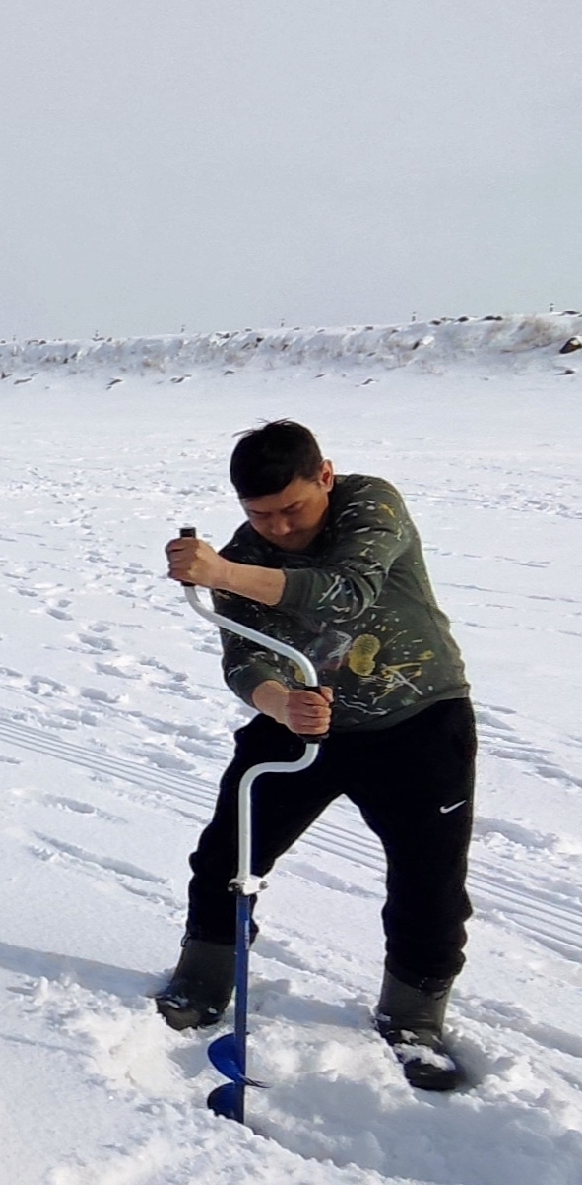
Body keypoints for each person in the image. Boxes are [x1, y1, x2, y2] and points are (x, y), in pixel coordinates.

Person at [160, 420, 476, 1091]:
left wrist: (221, 570)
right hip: (305, 723)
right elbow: (246, 659)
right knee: (229, 851)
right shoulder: (245, 556)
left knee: (430, 878)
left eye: (291, 509)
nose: (276, 528)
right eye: (259, 515)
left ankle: (414, 1015)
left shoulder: (371, 504)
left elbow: (346, 589)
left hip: (419, 719)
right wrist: (281, 705)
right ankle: (203, 975)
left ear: (324, 475)